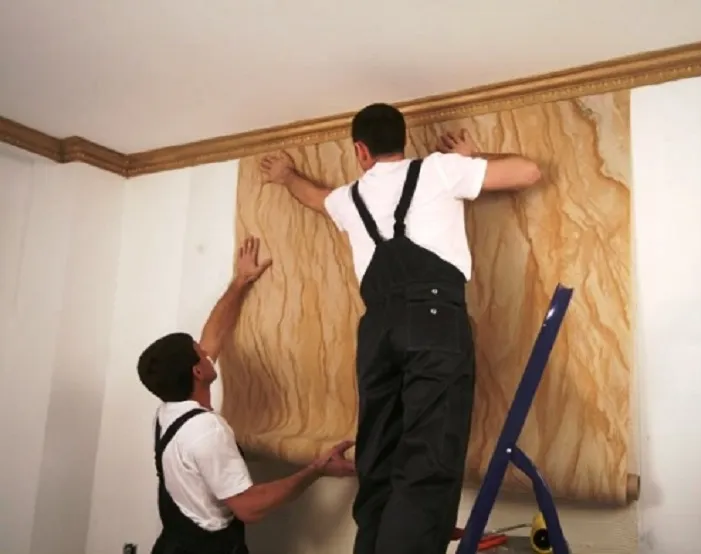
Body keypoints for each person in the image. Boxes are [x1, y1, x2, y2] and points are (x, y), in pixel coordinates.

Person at [259, 103, 543, 554]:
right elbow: (528, 172)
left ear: (360, 150)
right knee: (429, 450)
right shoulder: (439, 170)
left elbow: (313, 197)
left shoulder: (349, 198)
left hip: (377, 329)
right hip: (434, 320)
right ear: (403, 140)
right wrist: (471, 157)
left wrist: (286, 175)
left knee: (379, 453)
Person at [137, 236, 356, 554]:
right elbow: (249, 507)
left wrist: (241, 281)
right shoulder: (205, 430)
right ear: (197, 371)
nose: (206, 352)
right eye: (199, 353)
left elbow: (213, 335)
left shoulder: (167, 415)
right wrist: (316, 470)